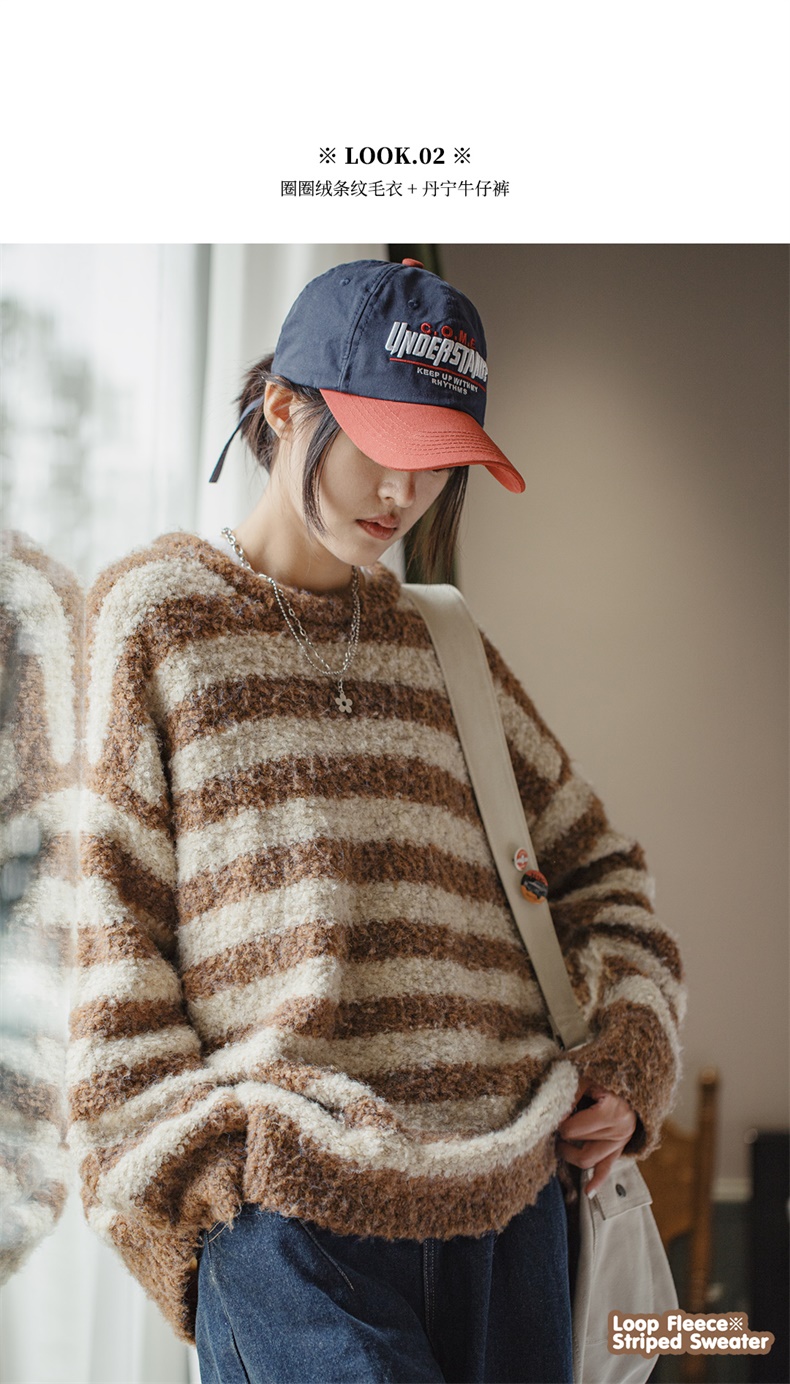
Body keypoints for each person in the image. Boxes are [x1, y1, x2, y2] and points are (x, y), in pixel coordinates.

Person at [71, 258, 684, 1384]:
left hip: (514, 1210)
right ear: (282, 408)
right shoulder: (156, 621)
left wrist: (628, 1059)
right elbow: (112, 946)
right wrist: (204, 1188)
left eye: (436, 459)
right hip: (294, 1217)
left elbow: (604, 879)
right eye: (380, 444)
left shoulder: (441, 641)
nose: (403, 491)